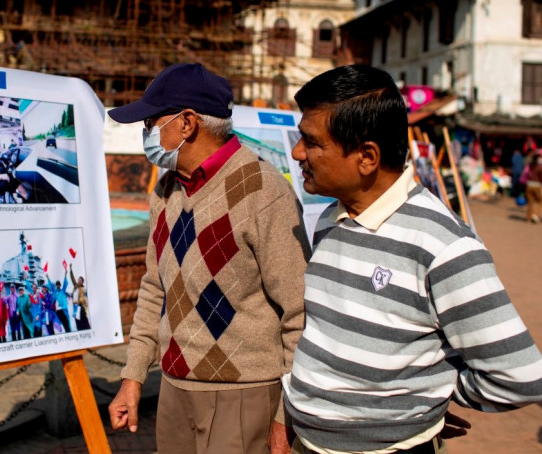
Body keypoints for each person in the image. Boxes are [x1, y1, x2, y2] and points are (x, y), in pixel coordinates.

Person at [283, 64, 542, 454]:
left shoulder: (443, 245)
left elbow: (520, 376)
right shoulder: (329, 219)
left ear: (367, 157)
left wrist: (429, 394)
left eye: (312, 141)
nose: (298, 152)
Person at [106, 63, 310, 454]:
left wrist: (287, 417)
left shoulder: (264, 192)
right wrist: (132, 378)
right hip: (174, 391)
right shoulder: (166, 190)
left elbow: (300, 313)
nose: (145, 133)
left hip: (244, 397)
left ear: (187, 123)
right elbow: (153, 290)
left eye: (151, 122)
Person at [69, 263, 90, 331]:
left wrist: (80, 302)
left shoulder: (83, 289)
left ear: (82, 282)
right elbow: (72, 278)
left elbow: (84, 299)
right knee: (77, 321)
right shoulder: (75, 287)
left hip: (80, 307)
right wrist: (70, 269)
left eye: (80, 280)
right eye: (78, 280)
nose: (79, 281)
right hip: (75, 306)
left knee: (83, 321)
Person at [524, 153, 542, 223]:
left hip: (529, 185)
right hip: (536, 185)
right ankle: (535, 215)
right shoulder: (539, 167)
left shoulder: (530, 166)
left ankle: (528, 217)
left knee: (530, 202)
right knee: (540, 200)